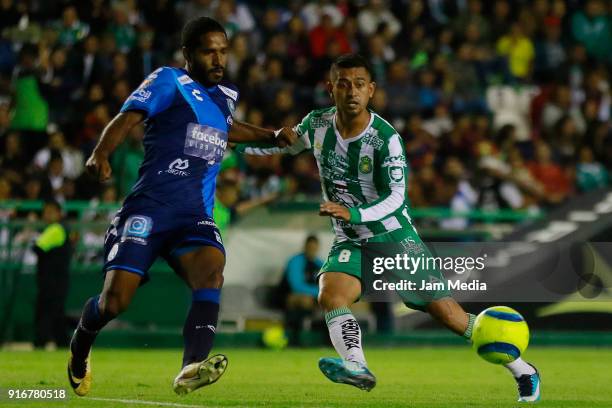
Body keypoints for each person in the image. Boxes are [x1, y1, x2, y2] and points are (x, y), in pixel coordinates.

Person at [237, 54, 541, 402]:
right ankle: (356, 365)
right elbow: (282, 143)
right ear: (330, 88)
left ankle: (523, 370)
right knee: (330, 293)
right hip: (351, 239)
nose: (351, 91)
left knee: (450, 316)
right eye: (343, 83)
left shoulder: (385, 139)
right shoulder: (317, 124)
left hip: (394, 237)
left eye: (359, 84)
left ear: (372, 91)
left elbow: (397, 199)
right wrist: (230, 140)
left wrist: (354, 214)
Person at [67, 17, 296, 397]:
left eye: (223, 50)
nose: (219, 58)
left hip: (194, 216)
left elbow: (229, 127)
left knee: (212, 272)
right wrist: (100, 153)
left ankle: (192, 365)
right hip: (149, 209)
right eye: (210, 51)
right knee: (115, 301)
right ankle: (81, 342)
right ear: (188, 54)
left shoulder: (225, 95)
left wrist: (271, 136)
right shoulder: (169, 81)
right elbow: (128, 117)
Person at [33, 200, 72, 349]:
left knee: (47, 311)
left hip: (51, 280)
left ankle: (42, 341)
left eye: (50, 212)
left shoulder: (56, 228)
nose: (47, 215)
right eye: (45, 212)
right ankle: (62, 342)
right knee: (56, 311)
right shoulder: (60, 228)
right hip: (58, 279)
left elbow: (39, 247)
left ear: (58, 213)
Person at [282, 235, 323, 345]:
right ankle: (296, 336)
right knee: (305, 300)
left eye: (314, 248)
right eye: (309, 247)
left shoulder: (320, 264)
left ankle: (328, 340)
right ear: (305, 247)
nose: (312, 250)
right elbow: (296, 286)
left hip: (314, 297)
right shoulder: (296, 261)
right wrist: (318, 293)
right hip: (287, 297)